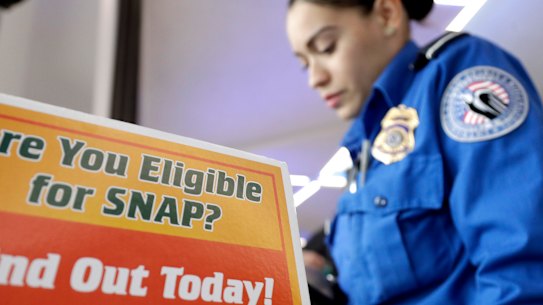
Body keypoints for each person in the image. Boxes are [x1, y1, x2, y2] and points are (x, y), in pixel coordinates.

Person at [286, 0, 543, 304]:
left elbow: (521, 267)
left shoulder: (457, 79)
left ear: (386, 14)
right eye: (304, 63)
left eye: (327, 48)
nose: (315, 79)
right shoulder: (366, 152)